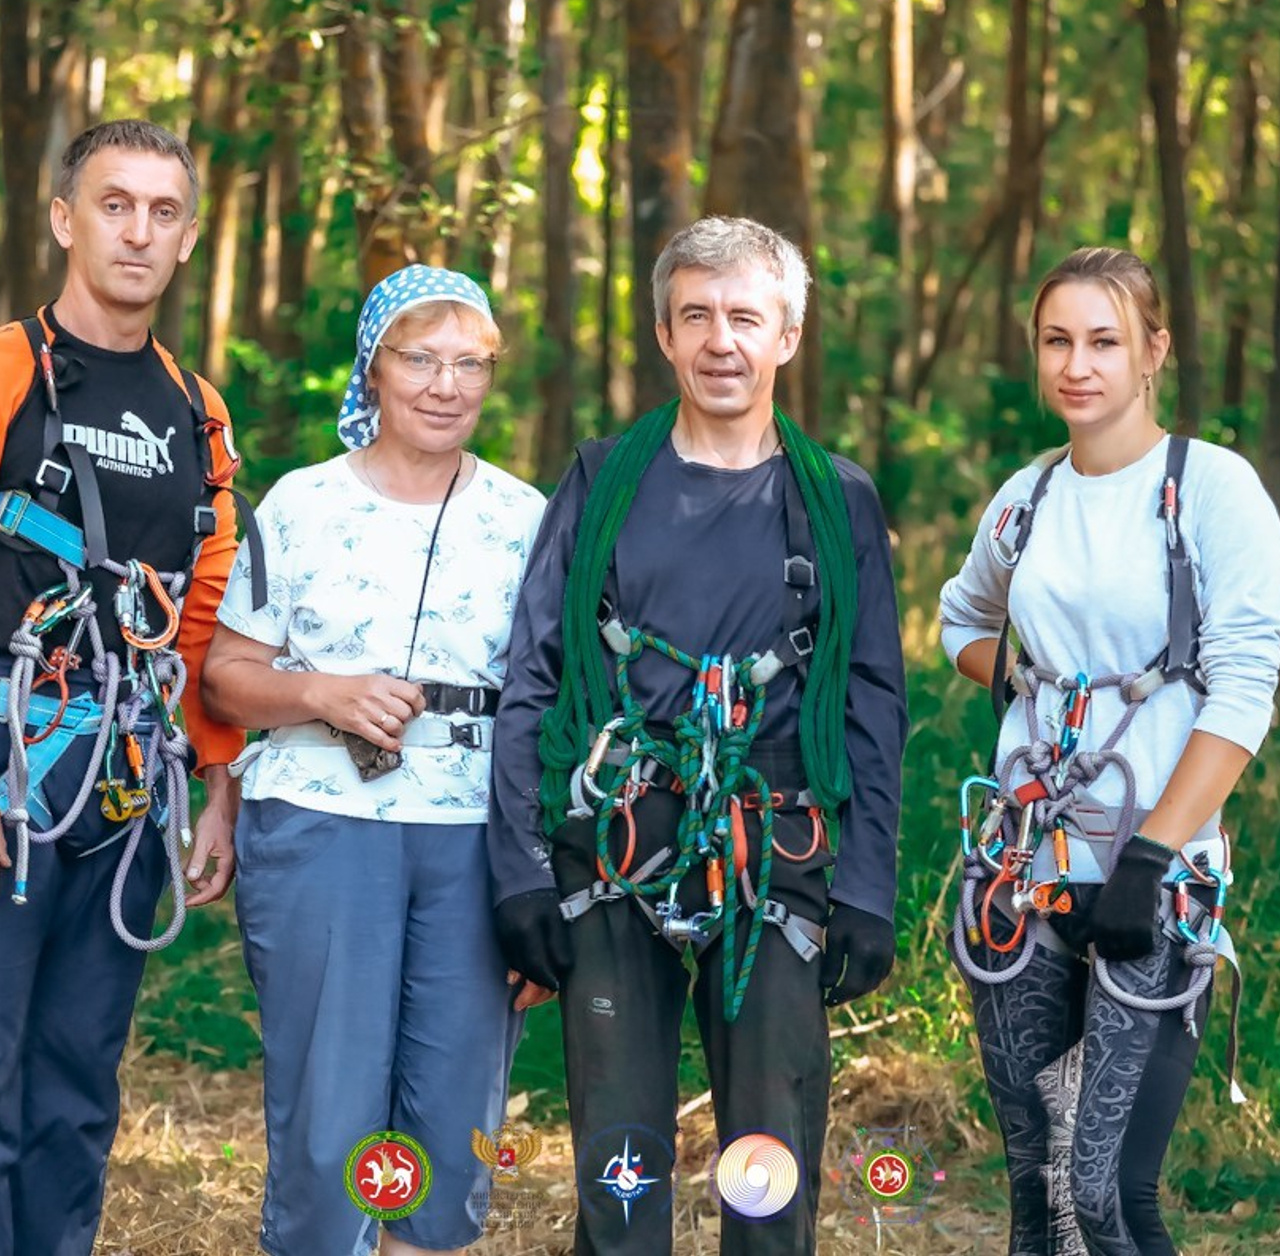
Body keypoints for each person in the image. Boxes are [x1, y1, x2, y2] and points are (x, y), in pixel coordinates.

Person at [488, 216, 908, 1255]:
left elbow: (867, 696)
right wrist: (520, 872)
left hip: (776, 852)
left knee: (767, 1163)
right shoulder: (600, 480)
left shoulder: (835, 500)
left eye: (744, 317)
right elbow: (534, 675)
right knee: (619, 1166)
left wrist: (862, 887)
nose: (721, 340)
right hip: (616, 848)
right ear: (666, 335)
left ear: (787, 337)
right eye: (697, 316)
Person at [939, 246, 1280, 1255]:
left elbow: (1246, 683)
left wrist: (1149, 856)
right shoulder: (1027, 496)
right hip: (1019, 868)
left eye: (1102, 340)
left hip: (1151, 882)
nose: (1075, 364)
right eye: (1055, 340)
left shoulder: (1209, 488)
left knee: (1101, 1192)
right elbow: (958, 619)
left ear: (1151, 352)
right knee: (1033, 1190)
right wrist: (1024, 674)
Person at [201, 264, 548, 1256]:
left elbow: (556, 707)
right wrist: (320, 691)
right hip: (319, 821)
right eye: (419, 358)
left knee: (451, 1114)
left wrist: (544, 882)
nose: (444, 384)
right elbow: (225, 673)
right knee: (330, 1109)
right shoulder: (302, 503)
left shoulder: (526, 517)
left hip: (474, 835)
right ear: (375, 366)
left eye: (469, 362)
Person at [0, 119, 246, 1254]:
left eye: (161, 211)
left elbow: (202, 613)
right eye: (114, 203)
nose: (137, 230)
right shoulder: (9, 369)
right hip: (12, 769)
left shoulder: (199, 413)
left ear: (187, 239)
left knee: (78, 1074)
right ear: (64, 218)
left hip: (125, 791)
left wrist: (216, 781)